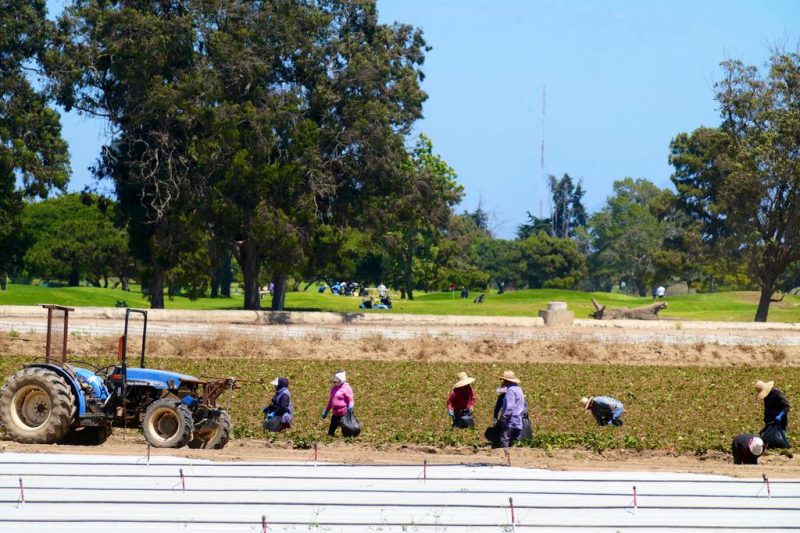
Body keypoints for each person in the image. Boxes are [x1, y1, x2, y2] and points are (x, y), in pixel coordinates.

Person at [495, 370, 525, 451]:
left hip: (510, 419)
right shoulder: (519, 389)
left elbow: (510, 407)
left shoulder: (510, 390)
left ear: (506, 380)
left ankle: (503, 456)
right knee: (514, 439)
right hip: (518, 418)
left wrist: (504, 417)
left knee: (504, 438)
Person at [755, 379, 791, 447]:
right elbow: (767, 408)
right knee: (766, 437)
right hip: (770, 421)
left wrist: (780, 415)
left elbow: (787, 406)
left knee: (780, 437)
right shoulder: (766, 396)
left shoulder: (777, 393)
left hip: (780, 421)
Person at [322, 371, 354, 437]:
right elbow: (331, 400)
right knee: (331, 430)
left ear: (341, 380)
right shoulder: (334, 388)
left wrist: (350, 406)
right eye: (334, 381)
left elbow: (351, 399)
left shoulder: (347, 388)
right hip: (335, 413)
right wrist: (326, 410)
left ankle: (347, 441)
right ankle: (330, 438)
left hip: (344, 413)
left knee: (346, 430)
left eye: (336, 380)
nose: (334, 382)